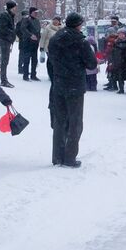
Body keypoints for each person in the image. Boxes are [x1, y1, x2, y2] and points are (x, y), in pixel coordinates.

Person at [48, 12, 97, 168]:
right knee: (75, 122)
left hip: (58, 84)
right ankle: (70, 157)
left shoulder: (55, 39)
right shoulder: (81, 42)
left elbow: (52, 60)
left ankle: (57, 156)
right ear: (78, 25)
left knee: (59, 121)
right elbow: (91, 64)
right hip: (75, 85)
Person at [0, 0, 17, 88]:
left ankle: (4, 79)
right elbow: (3, 29)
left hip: (7, 40)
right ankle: (3, 80)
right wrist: (12, 33)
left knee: (6, 60)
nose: (15, 9)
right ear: (11, 7)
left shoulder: (10, 15)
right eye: (14, 7)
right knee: (4, 60)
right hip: (4, 40)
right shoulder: (5, 15)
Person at [20, 7, 42, 81]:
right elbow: (23, 29)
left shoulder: (37, 21)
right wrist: (30, 35)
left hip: (35, 44)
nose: (36, 14)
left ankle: (33, 75)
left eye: (37, 12)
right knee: (27, 60)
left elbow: (38, 31)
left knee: (34, 60)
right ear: (31, 12)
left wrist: (39, 39)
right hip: (28, 43)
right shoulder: (26, 20)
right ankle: (25, 75)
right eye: (35, 12)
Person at [109, 28, 126, 94]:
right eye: (119, 34)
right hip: (118, 62)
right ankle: (121, 89)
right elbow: (113, 53)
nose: (121, 35)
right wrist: (112, 61)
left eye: (122, 34)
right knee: (120, 76)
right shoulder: (116, 43)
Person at [40, 16, 62, 83]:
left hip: (59, 48)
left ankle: (56, 74)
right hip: (48, 47)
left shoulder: (62, 28)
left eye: (57, 20)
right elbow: (43, 37)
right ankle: (51, 74)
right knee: (51, 61)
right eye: (54, 20)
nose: (55, 21)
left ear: (59, 22)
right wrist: (41, 46)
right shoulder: (48, 28)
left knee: (57, 62)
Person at [16, 9, 29, 75]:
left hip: (27, 41)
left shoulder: (29, 22)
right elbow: (17, 31)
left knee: (26, 56)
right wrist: (22, 37)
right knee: (22, 55)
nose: (26, 16)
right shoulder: (19, 23)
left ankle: (24, 68)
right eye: (25, 15)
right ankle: (20, 69)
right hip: (23, 41)